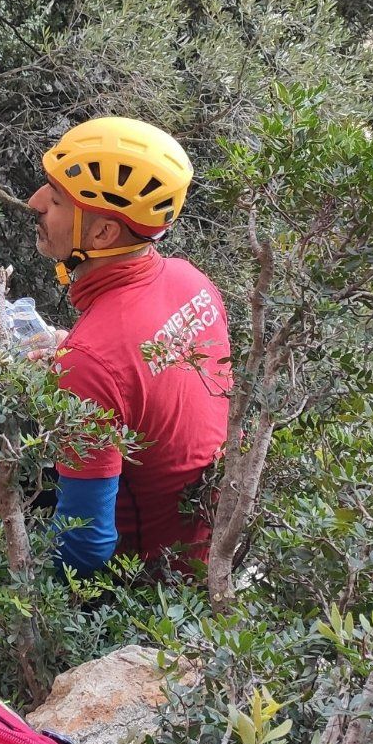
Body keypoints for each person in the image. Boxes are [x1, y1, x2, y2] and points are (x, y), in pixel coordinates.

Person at [28, 115, 231, 574]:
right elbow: (150, 374)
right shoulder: (192, 282)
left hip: (141, 581)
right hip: (203, 553)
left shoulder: (91, 360)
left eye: (56, 200)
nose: (34, 202)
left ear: (102, 234)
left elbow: (85, 548)